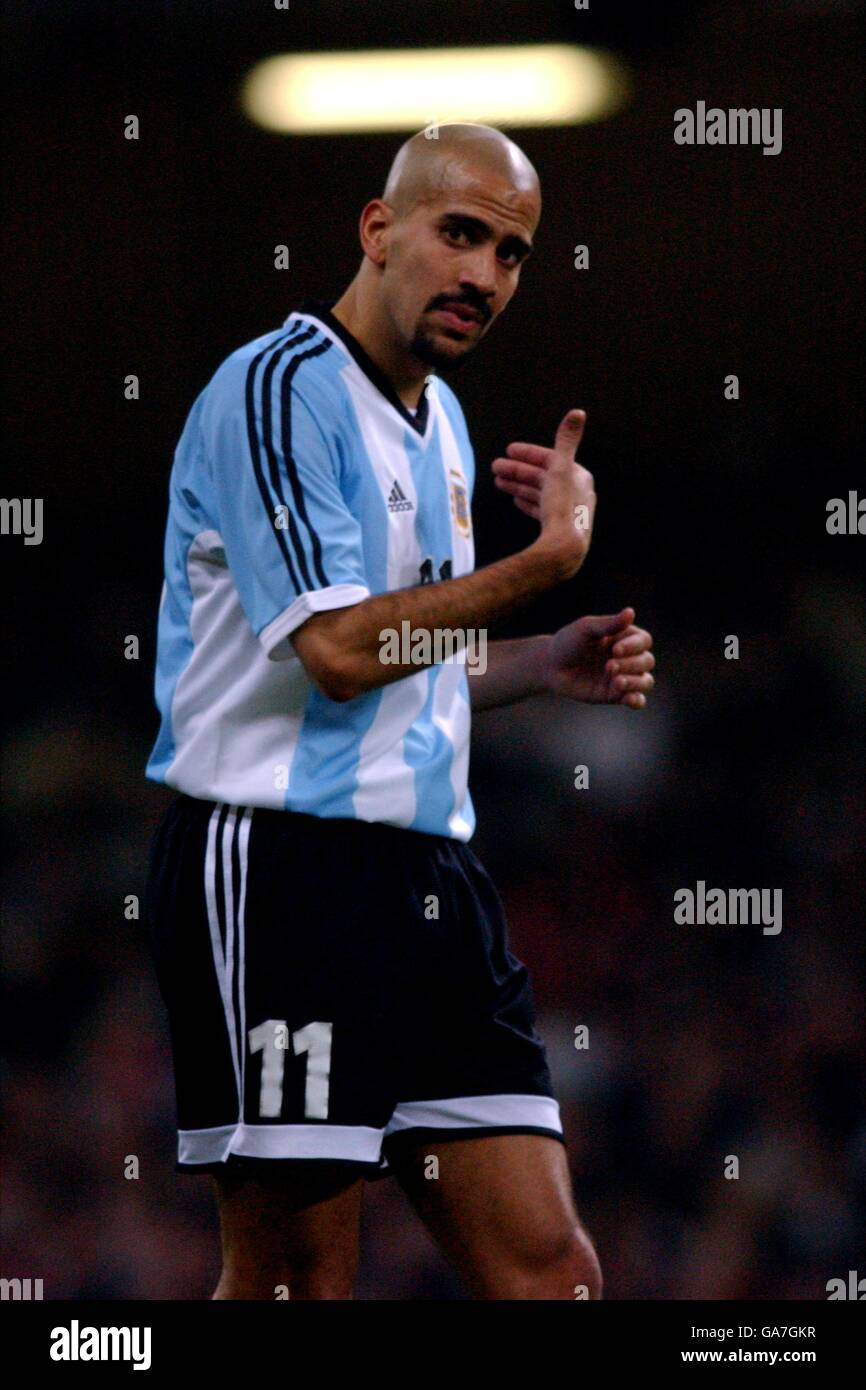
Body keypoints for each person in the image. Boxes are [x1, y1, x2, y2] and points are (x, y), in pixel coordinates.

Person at [144, 122, 655, 1300]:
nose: (484, 274)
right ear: (378, 231)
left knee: (550, 1273)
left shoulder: (444, 424)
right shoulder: (275, 389)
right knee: (293, 1284)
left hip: (430, 879)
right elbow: (330, 651)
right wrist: (548, 561)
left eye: (513, 253)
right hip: (281, 869)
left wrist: (535, 662)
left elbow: (401, 657)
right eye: (460, 233)